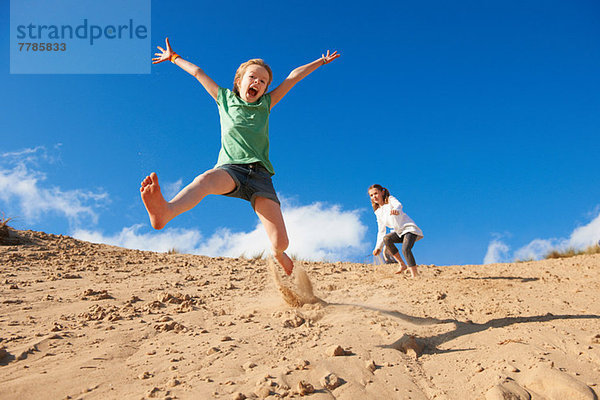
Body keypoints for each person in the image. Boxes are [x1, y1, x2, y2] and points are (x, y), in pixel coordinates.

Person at [141, 38, 340, 276]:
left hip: (261, 177)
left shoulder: (266, 104)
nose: (257, 82)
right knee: (205, 181)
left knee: (281, 243)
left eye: (263, 81)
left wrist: (321, 61)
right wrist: (174, 58)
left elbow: (293, 77)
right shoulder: (224, 99)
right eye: (252, 77)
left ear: (266, 89)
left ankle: (277, 254)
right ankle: (165, 211)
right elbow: (198, 73)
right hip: (231, 170)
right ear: (239, 81)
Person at [368, 184, 423, 277]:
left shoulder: (390, 200)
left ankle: (415, 274)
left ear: (382, 192)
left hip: (409, 229)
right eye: (371, 195)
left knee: (405, 249)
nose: (374, 197)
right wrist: (378, 247)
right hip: (398, 232)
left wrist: (396, 209)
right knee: (386, 239)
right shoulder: (378, 212)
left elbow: (399, 205)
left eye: (376, 193)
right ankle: (402, 264)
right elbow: (381, 230)